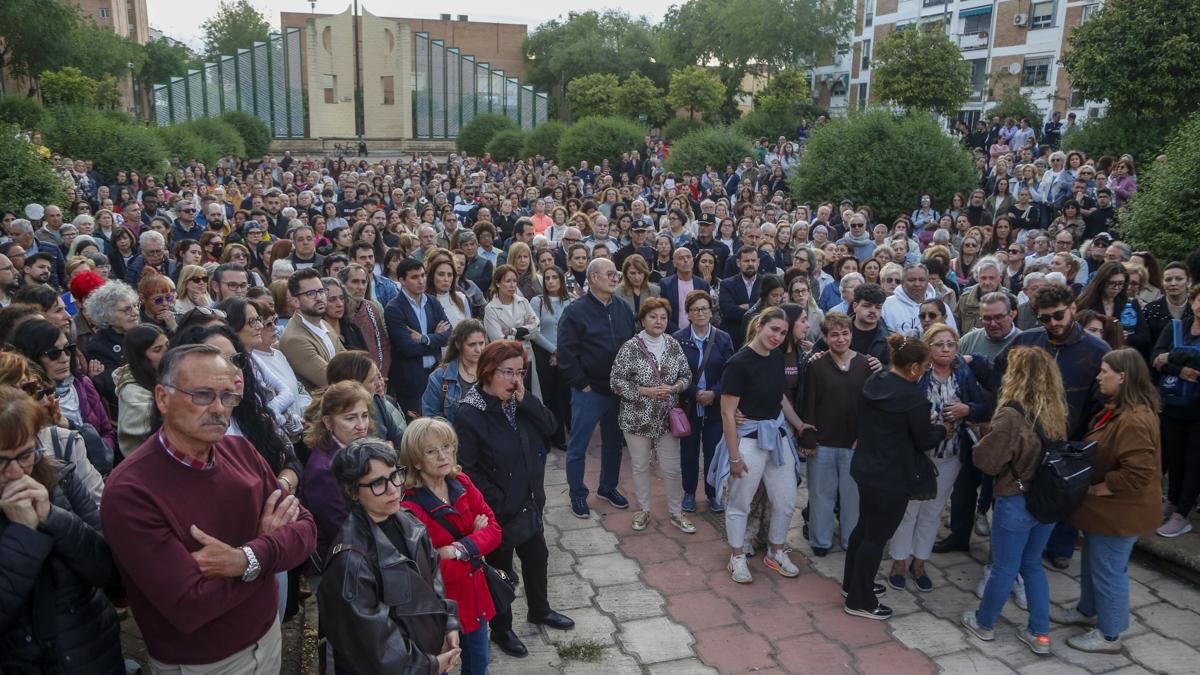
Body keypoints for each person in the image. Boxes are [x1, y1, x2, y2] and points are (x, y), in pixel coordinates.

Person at [101, 344, 316, 671]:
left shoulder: (241, 450)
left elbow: (306, 529)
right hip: (205, 662)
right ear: (162, 398)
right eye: (202, 395)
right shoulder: (130, 491)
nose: (218, 408)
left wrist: (244, 558)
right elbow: (190, 606)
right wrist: (268, 555)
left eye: (228, 396)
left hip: (268, 634)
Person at [453, 340, 574, 658]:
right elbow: (468, 470)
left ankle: (540, 610)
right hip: (498, 512)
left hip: (529, 503)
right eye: (508, 372)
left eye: (520, 372)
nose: (515, 380)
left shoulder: (519, 401)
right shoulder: (470, 413)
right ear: (488, 372)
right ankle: (502, 630)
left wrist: (527, 400)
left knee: (537, 559)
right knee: (500, 572)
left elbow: (550, 427)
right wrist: (501, 503)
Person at [0, 385, 125, 674]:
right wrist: (23, 535)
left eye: (25, 454)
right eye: (1, 460)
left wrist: (52, 518)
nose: (17, 473)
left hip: (92, 651)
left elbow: (109, 570)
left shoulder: (62, 481)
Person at [985, 283, 1109, 567]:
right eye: (1044, 318)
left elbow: (1101, 404)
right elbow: (998, 376)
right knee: (1012, 504)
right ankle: (1006, 560)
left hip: (1067, 445)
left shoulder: (1097, 350)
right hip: (1023, 446)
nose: (1052, 323)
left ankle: (1056, 550)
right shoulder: (1027, 340)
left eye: (1058, 315)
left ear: (1073, 309)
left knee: (1060, 503)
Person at [317, 439, 462, 673]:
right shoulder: (351, 562)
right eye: (378, 483)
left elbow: (433, 577)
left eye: (395, 476)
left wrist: (449, 623)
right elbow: (373, 645)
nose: (394, 489)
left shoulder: (410, 521)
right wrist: (428, 666)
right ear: (353, 491)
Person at [1053, 349, 1162, 654]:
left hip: (1119, 514)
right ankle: (1086, 610)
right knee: (1093, 562)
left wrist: (1102, 488)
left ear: (1123, 377)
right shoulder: (1120, 410)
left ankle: (1110, 634)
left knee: (1109, 571)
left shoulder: (1134, 420)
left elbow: (1139, 472)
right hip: (1106, 514)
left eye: (1105, 372)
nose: (1099, 377)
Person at [963, 347, 1067, 655]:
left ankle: (984, 624)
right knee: (1032, 565)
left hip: (1015, 499)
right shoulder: (1056, 409)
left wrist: (980, 440)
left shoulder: (1010, 412)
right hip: (1047, 500)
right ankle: (1040, 633)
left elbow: (988, 461)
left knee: (1004, 568)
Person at [843, 335, 947, 620]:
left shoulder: (876, 382)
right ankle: (859, 600)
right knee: (876, 538)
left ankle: (853, 584)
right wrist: (941, 429)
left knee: (863, 528)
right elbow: (925, 440)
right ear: (913, 367)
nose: (926, 371)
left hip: (865, 467)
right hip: (891, 477)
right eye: (925, 366)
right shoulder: (913, 398)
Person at [888, 323, 990, 591]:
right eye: (939, 344)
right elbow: (897, 404)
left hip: (951, 454)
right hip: (918, 454)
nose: (946, 349)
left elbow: (983, 406)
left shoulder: (962, 371)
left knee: (932, 511)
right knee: (908, 510)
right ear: (928, 347)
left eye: (950, 344)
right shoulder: (917, 373)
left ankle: (920, 562)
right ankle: (899, 561)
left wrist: (967, 409)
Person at [399, 418, 502, 675]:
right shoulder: (410, 508)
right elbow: (431, 569)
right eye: (431, 451)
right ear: (416, 460)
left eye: (447, 446)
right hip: (438, 609)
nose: (442, 456)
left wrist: (457, 549)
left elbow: (495, 531)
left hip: (475, 599)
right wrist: (475, 544)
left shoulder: (462, 483)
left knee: (478, 666)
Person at [716, 307, 808, 584]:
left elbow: (779, 396)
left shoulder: (777, 357)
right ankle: (736, 556)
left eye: (782, 332)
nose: (778, 336)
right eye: (773, 329)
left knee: (786, 499)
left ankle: (776, 551)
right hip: (748, 441)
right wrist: (734, 457)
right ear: (759, 327)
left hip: (777, 438)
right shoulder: (738, 363)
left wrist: (799, 424)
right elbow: (727, 413)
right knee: (739, 501)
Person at [558, 258, 636, 518]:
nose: (615, 278)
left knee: (613, 444)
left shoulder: (624, 308)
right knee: (578, 446)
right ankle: (577, 495)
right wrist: (582, 384)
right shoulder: (575, 311)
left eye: (616, 274)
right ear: (593, 278)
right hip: (588, 392)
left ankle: (607, 487)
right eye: (610, 274)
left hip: (618, 391)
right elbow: (567, 354)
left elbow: (632, 346)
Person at [611, 297, 694, 533]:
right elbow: (616, 381)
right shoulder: (630, 347)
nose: (659, 321)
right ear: (642, 319)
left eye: (663, 317)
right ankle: (643, 510)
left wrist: (674, 388)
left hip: (668, 418)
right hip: (636, 418)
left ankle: (677, 513)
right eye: (653, 316)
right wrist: (642, 391)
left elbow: (686, 375)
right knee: (640, 466)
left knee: (672, 467)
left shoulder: (673, 344)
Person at [800, 312, 874, 556]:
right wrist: (809, 439)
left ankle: (850, 538)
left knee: (853, 497)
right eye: (834, 335)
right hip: (823, 442)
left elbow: (871, 406)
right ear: (825, 337)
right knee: (822, 495)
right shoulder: (816, 365)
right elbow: (808, 403)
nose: (840, 339)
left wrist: (865, 436)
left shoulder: (865, 364)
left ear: (851, 334)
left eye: (845, 333)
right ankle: (820, 540)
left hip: (854, 443)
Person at [300, 380, 375, 574]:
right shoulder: (323, 470)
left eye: (364, 416)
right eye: (350, 418)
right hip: (341, 566)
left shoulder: (358, 449)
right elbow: (343, 529)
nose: (361, 426)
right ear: (327, 422)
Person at [676, 289, 736, 513]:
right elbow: (675, 372)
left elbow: (730, 373)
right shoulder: (678, 338)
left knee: (714, 452)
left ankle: (713, 493)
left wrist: (714, 393)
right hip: (689, 405)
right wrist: (694, 393)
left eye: (704, 308)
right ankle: (689, 492)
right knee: (689, 452)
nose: (700, 313)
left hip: (714, 406)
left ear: (711, 311)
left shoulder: (723, 338)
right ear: (688, 314)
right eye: (695, 310)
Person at [1151, 282, 1200, 537]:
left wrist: (1172, 357)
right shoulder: (1176, 327)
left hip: (1198, 411)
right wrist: (1179, 366)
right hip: (1173, 405)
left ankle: (1183, 512)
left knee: (1194, 461)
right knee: (1173, 456)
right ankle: (1171, 501)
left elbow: (1167, 357)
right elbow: (1156, 357)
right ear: (1193, 302)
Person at [386, 258, 451, 415]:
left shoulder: (432, 302)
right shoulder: (394, 308)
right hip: (411, 381)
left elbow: (448, 336)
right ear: (402, 280)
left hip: (436, 373)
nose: (421, 281)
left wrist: (424, 338)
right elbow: (407, 348)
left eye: (423, 275)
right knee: (417, 429)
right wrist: (435, 338)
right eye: (415, 277)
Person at [280, 267, 345, 391]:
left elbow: (346, 360)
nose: (319, 297)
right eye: (311, 293)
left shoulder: (324, 324)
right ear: (296, 302)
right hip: (322, 406)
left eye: (321, 291)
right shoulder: (294, 340)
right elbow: (330, 379)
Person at [530, 266, 573, 447]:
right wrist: (553, 350)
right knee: (546, 397)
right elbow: (534, 332)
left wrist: (561, 352)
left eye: (554, 277)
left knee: (563, 397)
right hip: (544, 355)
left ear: (561, 279)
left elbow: (573, 330)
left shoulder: (571, 301)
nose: (550, 281)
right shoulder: (537, 301)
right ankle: (547, 437)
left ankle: (562, 437)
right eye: (547, 278)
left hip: (566, 355)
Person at [114, 323, 169, 453]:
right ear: (141, 357)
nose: (166, 353)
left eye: (167, 346)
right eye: (157, 350)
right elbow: (135, 445)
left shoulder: (164, 375)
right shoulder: (133, 394)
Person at [422, 319, 486, 422]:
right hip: (452, 436)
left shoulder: (492, 372)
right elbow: (431, 418)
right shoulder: (439, 377)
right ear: (458, 344)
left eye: (481, 343)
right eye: (472, 344)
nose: (478, 350)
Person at [719, 246, 764, 349]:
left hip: (760, 338)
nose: (750, 264)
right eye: (746, 261)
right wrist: (757, 310)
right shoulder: (727, 284)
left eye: (753, 260)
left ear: (758, 262)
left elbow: (770, 308)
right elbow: (728, 311)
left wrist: (748, 306)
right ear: (738, 263)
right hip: (734, 339)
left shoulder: (767, 283)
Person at [959, 292, 1022, 359]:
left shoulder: (1026, 342)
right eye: (987, 318)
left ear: (1012, 315)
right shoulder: (967, 341)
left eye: (998, 317)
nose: (993, 324)